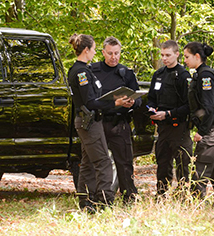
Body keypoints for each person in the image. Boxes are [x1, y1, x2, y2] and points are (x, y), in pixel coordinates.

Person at [67, 33, 130, 212]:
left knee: (87, 163)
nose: (95, 53)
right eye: (94, 49)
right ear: (86, 50)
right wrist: (114, 103)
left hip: (91, 121)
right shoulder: (81, 72)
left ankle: (85, 202)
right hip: (89, 122)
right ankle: (104, 203)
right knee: (103, 162)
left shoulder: (83, 70)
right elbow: (90, 102)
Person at [90, 36, 141, 204]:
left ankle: (129, 197)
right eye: (110, 53)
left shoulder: (126, 73)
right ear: (103, 52)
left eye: (117, 53)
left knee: (124, 162)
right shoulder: (93, 71)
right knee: (96, 162)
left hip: (119, 122)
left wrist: (132, 103)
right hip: (99, 122)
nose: (113, 57)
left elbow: (138, 98)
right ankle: (97, 197)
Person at [183, 42, 214, 203]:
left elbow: (209, 107)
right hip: (211, 126)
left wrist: (201, 132)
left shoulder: (206, 75)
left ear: (197, 57)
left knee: (201, 162)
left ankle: (193, 203)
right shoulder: (199, 74)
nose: (185, 60)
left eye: (187, 57)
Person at [147, 40, 193, 196]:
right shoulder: (158, 75)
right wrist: (152, 108)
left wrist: (168, 114)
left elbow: (188, 106)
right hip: (162, 128)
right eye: (162, 55)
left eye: (168, 55)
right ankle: (161, 195)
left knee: (182, 165)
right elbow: (151, 98)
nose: (164, 58)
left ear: (177, 54)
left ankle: (183, 197)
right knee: (162, 163)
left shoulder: (183, 75)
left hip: (179, 128)